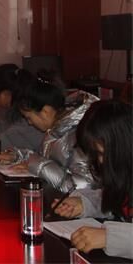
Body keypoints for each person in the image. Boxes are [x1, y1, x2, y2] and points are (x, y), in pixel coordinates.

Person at [0, 70, 99, 193]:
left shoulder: (78, 135)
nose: (29, 123)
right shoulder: (56, 130)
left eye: (29, 118)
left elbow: (82, 188)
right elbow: (42, 158)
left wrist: (37, 166)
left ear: (45, 111)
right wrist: (16, 156)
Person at [52, 100, 132, 259]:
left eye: (102, 153)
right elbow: (116, 199)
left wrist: (108, 237)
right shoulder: (125, 174)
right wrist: (84, 204)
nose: (100, 161)